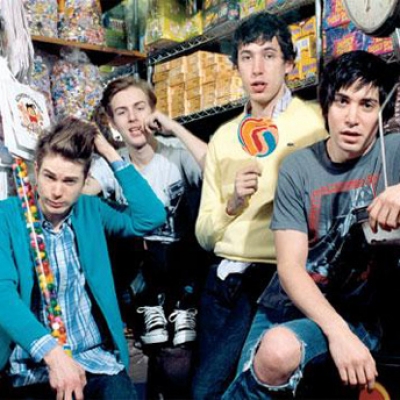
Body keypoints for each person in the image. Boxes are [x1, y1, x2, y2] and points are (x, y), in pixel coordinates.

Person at [223, 50, 400, 399]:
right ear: (326, 106)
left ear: (381, 113)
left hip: (355, 311)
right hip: (285, 305)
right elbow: (290, 268)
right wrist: (339, 335)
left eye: (367, 105)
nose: (352, 118)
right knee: (270, 358)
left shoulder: (391, 150)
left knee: (279, 349)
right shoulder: (298, 167)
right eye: (342, 101)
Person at [192, 11, 328, 399]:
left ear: (289, 63)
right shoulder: (223, 137)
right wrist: (233, 203)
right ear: (236, 67)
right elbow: (204, 235)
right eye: (246, 57)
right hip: (222, 280)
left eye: (269, 55)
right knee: (208, 390)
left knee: (221, 389)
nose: (257, 68)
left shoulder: (314, 124)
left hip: (275, 278)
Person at [0, 116, 166, 400]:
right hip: (30, 369)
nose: (56, 191)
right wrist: (53, 354)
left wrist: (110, 153)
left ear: (85, 180)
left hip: (94, 362)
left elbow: (151, 217)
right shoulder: (6, 216)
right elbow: (2, 293)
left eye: (69, 181)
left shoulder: (91, 210)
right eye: (49, 177)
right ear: (36, 170)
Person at [85, 77, 208, 349]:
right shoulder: (111, 163)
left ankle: (182, 307)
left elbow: (220, 170)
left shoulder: (175, 154)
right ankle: (148, 308)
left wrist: (175, 128)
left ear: (153, 110)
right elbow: (80, 193)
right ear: (112, 121)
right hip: (139, 272)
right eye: (122, 112)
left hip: (182, 264)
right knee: (115, 223)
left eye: (139, 108)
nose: (132, 118)